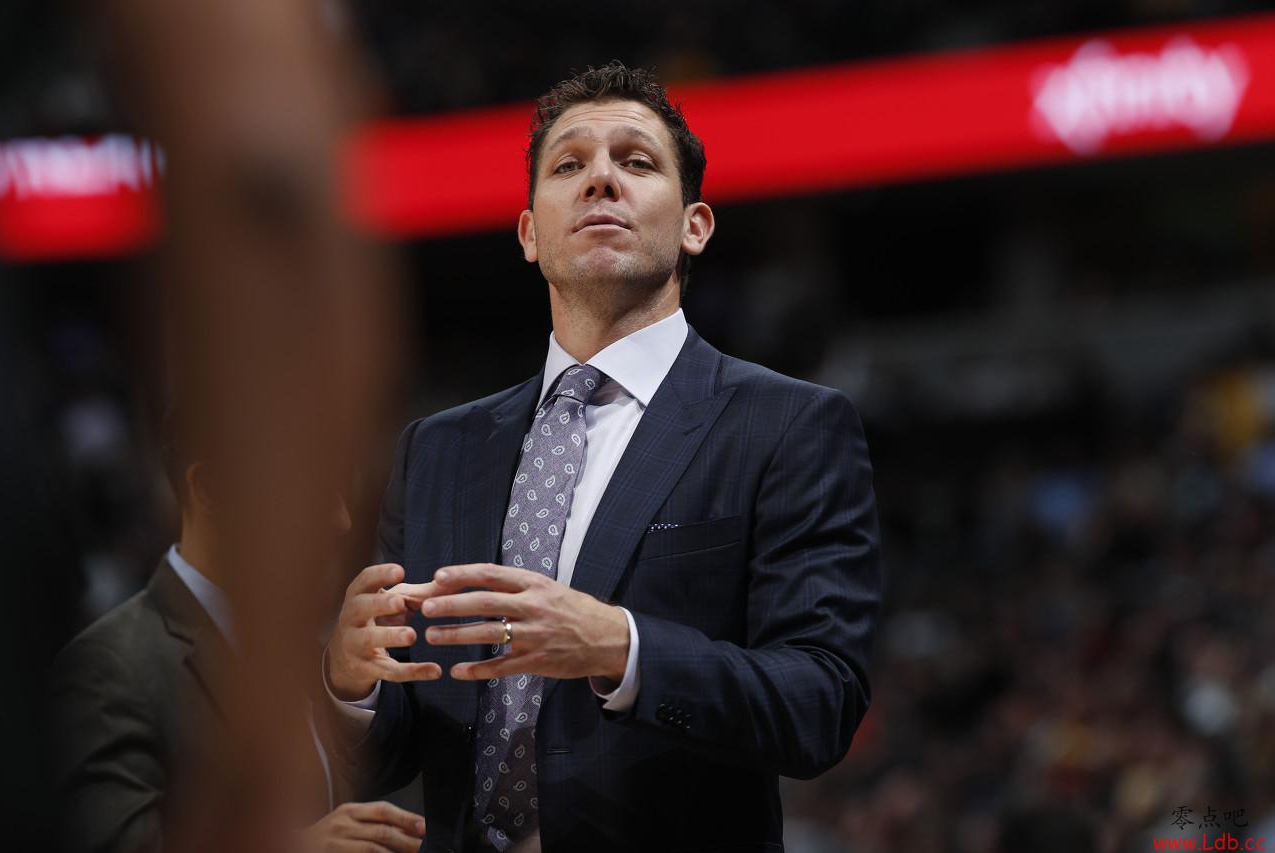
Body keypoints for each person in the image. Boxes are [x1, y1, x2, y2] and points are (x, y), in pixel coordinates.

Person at [325, 61, 883, 852]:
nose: (599, 180)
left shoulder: (789, 424)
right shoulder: (436, 449)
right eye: (568, 166)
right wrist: (351, 684)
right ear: (530, 233)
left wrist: (623, 646)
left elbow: (819, 702)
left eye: (637, 161)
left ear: (695, 225)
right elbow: (397, 743)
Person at [53, 403, 429, 853]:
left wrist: (351, 689)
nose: (340, 519)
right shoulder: (107, 664)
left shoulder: (308, 651)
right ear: (209, 489)